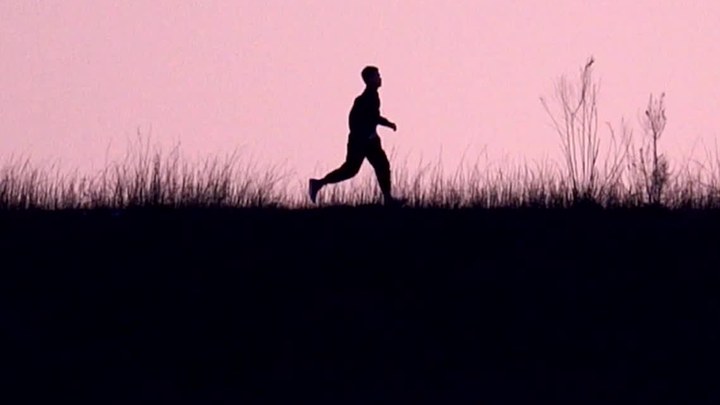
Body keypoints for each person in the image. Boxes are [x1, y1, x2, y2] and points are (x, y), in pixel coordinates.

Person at [308, 65, 403, 206]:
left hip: (370, 141)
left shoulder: (373, 96)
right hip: (360, 141)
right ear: (370, 79)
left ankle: (388, 199)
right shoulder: (365, 98)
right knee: (350, 170)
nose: (380, 78)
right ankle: (318, 183)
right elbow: (364, 118)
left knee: (382, 165)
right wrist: (387, 124)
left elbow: (372, 117)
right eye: (377, 75)